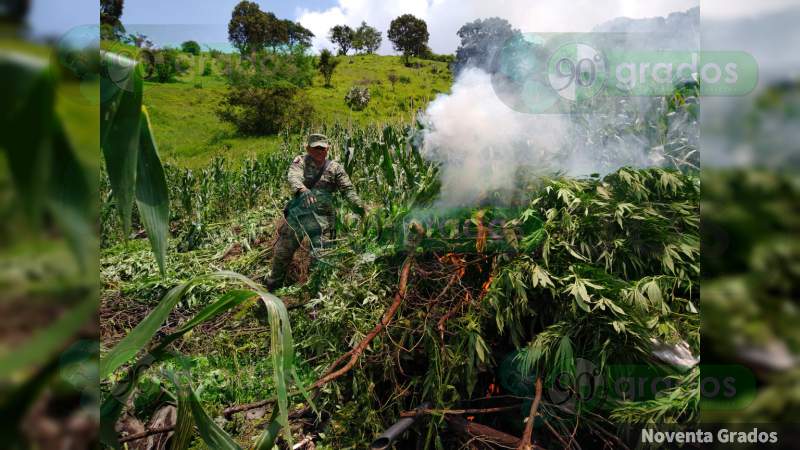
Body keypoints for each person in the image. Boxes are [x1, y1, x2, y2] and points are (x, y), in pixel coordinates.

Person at [265, 133, 365, 290]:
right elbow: (293, 177)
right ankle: (273, 286)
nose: (319, 151)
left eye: (322, 148)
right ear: (308, 149)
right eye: (316, 148)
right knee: (283, 251)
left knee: (321, 256)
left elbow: (348, 190)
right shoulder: (301, 162)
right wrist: (303, 190)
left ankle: (316, 292)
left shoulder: (335, 168)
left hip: (322, 220)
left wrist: (360, 207)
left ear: (327, 149)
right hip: (299, 215)